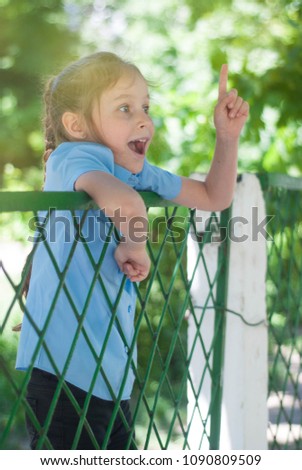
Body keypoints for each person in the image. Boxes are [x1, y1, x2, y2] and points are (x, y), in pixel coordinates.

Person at [16, 51, 249, 450]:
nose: (143, 119)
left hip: (109, 374)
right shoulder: (74, 157)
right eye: (124, 108)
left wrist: (227, 137)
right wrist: (134, 245)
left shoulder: (133, 170)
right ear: (76, 125)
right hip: (64, 374)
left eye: (145, 107)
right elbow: (127, 204)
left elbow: (214, 196)